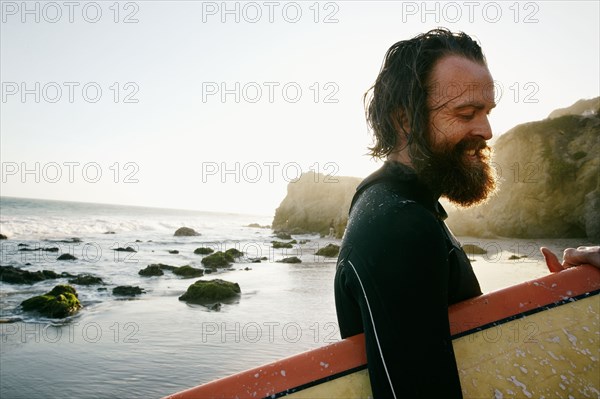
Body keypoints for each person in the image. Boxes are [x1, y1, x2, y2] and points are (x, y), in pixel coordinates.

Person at [334, 28, 497, 398]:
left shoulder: (399, 206)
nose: (486, 130)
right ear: (404, 120)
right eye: (467, 113)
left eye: (486, 112)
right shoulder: (399, 224)